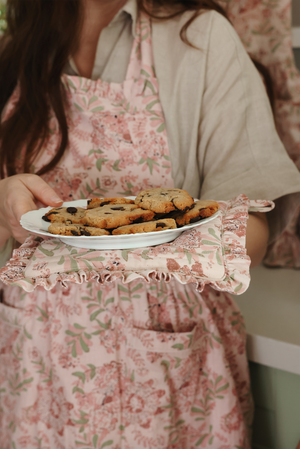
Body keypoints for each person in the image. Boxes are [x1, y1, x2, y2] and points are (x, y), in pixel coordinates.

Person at [0, 0, 299, 448]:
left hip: (166, 356)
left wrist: (182, 248)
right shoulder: (14, 51)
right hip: (35, 362)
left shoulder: (201, 38)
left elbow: (253, 221)